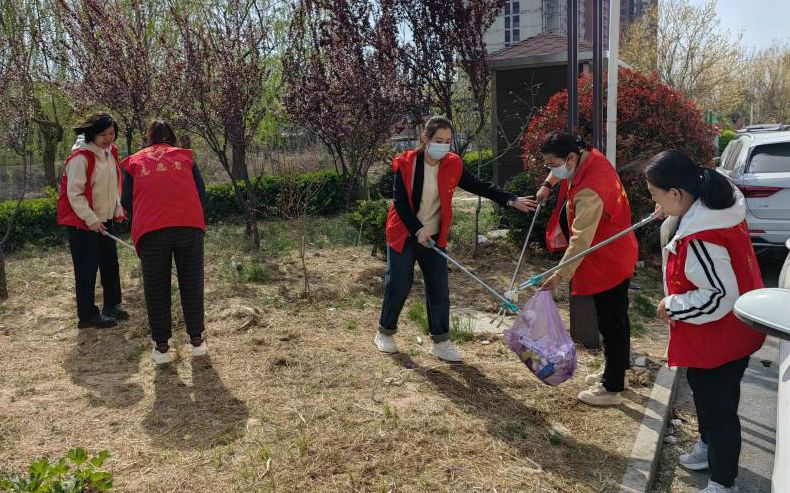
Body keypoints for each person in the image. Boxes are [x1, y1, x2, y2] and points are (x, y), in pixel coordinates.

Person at [646, 150, 765, 493]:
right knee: (703, 390)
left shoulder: (702, 237)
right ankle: (708, 445)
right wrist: (671, 217)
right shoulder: (710, 202)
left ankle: (723, 481)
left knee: (720, 409)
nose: (654, 203)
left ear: (677, 193)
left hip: (721, 334)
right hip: (721, 333)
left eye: (655, 195)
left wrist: (672, 305)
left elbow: (718, 296)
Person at [375, 116, 535, 362]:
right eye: (438, 140)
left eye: (448, 141)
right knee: (398, 283)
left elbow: (478, 185)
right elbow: (401, 204)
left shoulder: (453, 163)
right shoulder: (407, 163)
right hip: (404, 233)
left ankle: (441, 342)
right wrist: (417, 229)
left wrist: (510, 199)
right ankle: (385, 332)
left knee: (439, 288)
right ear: (425, 138)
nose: (443, 145)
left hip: (433, 236)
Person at [535, 132, 638, 406]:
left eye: (552, 164)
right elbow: (560, 170)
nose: (551, 169)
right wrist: (547, 184)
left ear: (570, 157)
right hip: (617, 249)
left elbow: (581, 240)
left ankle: (612, 388)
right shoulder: (590, 158)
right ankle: (618, 371)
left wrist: (559, 276)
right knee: (617, 319)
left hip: (608, 259)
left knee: (611, 322)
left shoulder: (590, 189)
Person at [121, 120, 208, 364]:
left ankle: (162, 347)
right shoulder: (185, 157)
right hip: (188, 226)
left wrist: (145, 213)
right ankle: (197, 341)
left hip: (152, 230)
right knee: (192, 281)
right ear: (172, 137)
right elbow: (201, 193)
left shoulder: (134, 161)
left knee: (156, 286)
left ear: (148, 139)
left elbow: (126, 200)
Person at [57, 112, 128, 328]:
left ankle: (112, 305)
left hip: (105, 218)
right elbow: (75, 194)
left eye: (111, 133)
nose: (108, 138)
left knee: (110, 263)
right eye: (103, 134)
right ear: (92, 134)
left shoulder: (111, 151)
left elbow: (115, 182)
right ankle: (87, 315)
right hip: (82, 223)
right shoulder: (81, 158)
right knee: (87, 269)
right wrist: (91, 219)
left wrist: (117, 206)